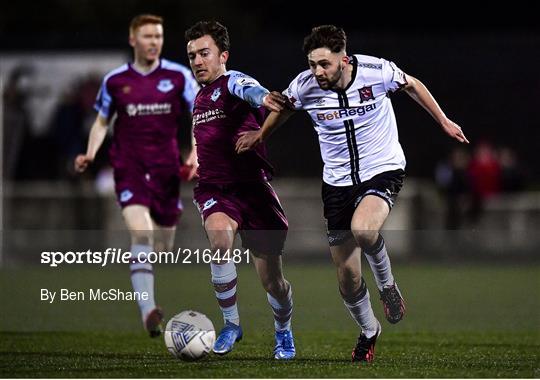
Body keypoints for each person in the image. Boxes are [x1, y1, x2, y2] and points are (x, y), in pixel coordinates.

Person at [236, 25, 469, 363]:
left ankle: (387, 286)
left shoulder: (377, 71)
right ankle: (369, 330)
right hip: (337, 183)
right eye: (313, 64)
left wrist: (444, 120)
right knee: (347, 278)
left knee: (364, 229)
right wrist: (260, 134)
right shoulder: (304, 86)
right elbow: (284, 108)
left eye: (325, 65)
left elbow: (413, 85)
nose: (318, 72)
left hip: (382, 169)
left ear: (344, 60)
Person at [74, 14, 199, 337]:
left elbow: (199, 115)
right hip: (129, 169)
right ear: (133, 40)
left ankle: (147, 278)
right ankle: (148, 311)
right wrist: (90, 152)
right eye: (147, 36)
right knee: (140, 233)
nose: (154, 42)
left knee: (163, 245)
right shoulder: (115, 81)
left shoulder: (178, 76)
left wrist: (195, 152)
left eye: (158, 36)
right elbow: (102, 122)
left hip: (167, 172)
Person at [184, 21, 295, 359]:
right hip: (216, 190)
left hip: (254, 191)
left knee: (272, 281)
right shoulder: (199, 98)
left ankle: (283, 333)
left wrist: (265, 99)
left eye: (204, 53)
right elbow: (205, 136)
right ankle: (231, 324)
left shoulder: (232, 81)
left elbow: (253, 91)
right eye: (192, 56)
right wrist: (193, 157)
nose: (198, 61)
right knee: (219, 240)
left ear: (223, 55)